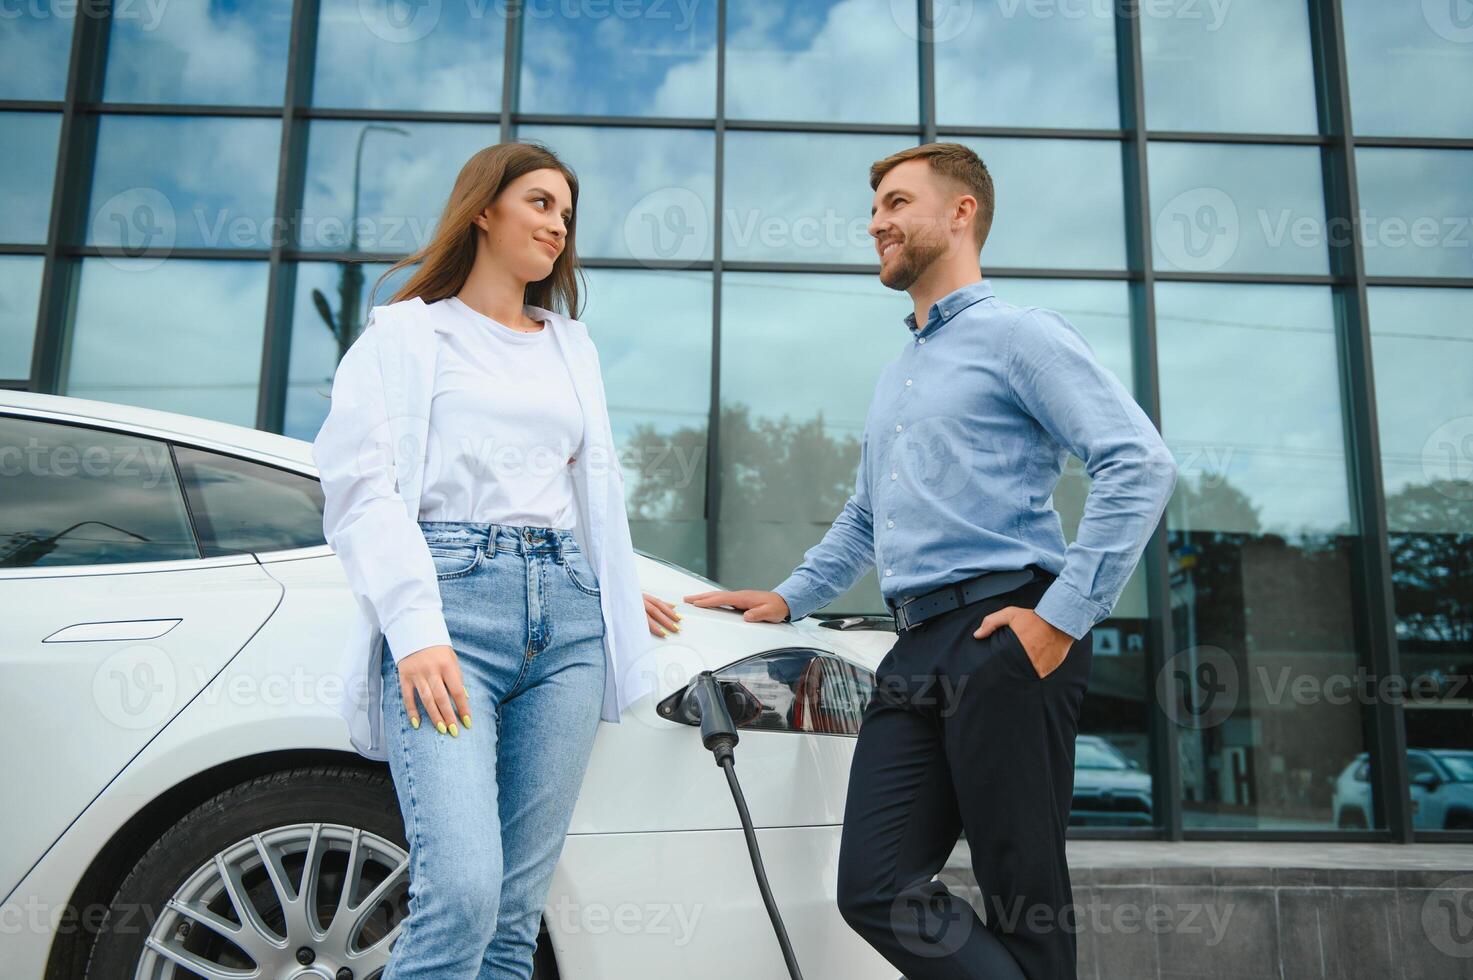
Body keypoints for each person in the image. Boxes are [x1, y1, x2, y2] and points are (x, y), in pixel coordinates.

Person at [683, 142, 1178, 979]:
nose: (875, 223)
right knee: (874, 888)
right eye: (873, 208)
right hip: (913, 648)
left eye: (896, 203)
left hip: (1007, 629)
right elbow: (867, 514)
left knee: (1021, 895)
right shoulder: (898, 375)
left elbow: (1138, 464)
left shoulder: (1020, 337)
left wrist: (1061, 618)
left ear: (961, 212)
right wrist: (788, 597)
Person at [312, 140, 680, 979]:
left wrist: (621, 588)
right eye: (541, 204)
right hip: (451, 612)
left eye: (567, 214)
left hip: (569, 627)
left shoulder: (568, 345)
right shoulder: (405, 336)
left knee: (515, 915)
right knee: (465, 890)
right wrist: (414, 630)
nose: (559, 227)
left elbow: (585, 495)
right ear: (484, 209)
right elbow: (361, 490)